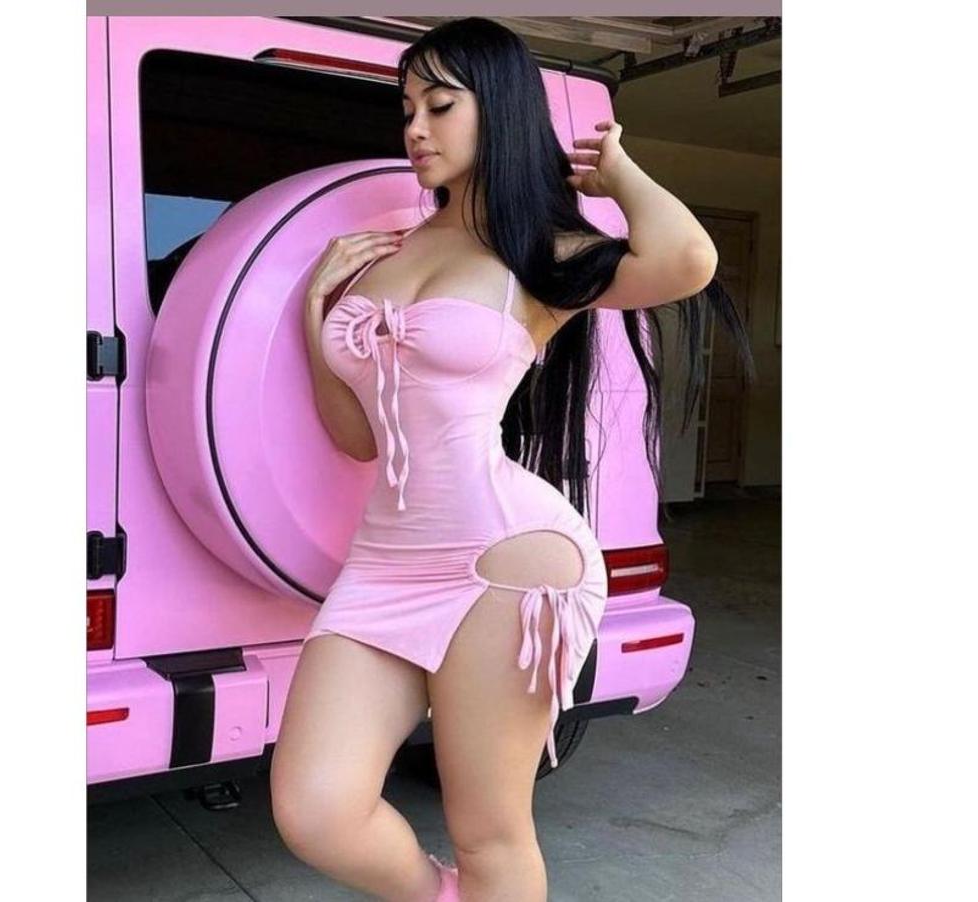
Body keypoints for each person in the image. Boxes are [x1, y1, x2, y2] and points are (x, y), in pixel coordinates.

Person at [270, 16, 754, 902]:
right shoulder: (398, 249)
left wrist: (618, 173)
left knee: (489, 831)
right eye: (406, 109)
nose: (416, 128)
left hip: (507, 562)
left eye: (439, 105)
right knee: (316, 808)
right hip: (385, 563)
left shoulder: (543, 253)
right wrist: (314, 313)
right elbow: (359, 439)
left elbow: (687, 260)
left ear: (498, 108)